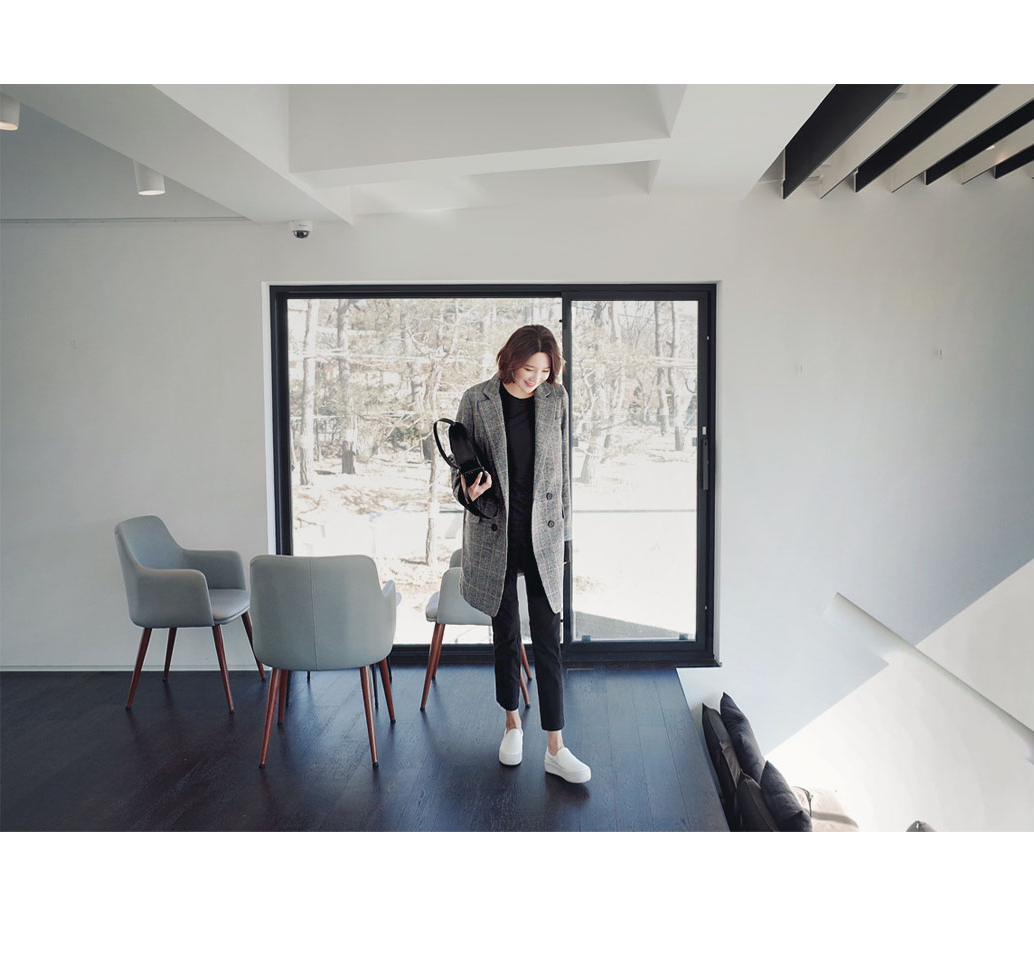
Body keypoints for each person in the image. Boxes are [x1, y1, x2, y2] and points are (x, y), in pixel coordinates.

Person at [451, 324, 590, 784]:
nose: (536, 378)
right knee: (506, 635)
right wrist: (469, 490)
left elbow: (563, 473)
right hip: (496, 532)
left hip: (544, 534)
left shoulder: (555, 399)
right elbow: (458, 469)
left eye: (545, 371)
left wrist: (566, 538)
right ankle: (512, 724)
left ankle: (556, 747)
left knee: (549, 639)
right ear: (510, 360)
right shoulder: (477, 399)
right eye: (530, 368)